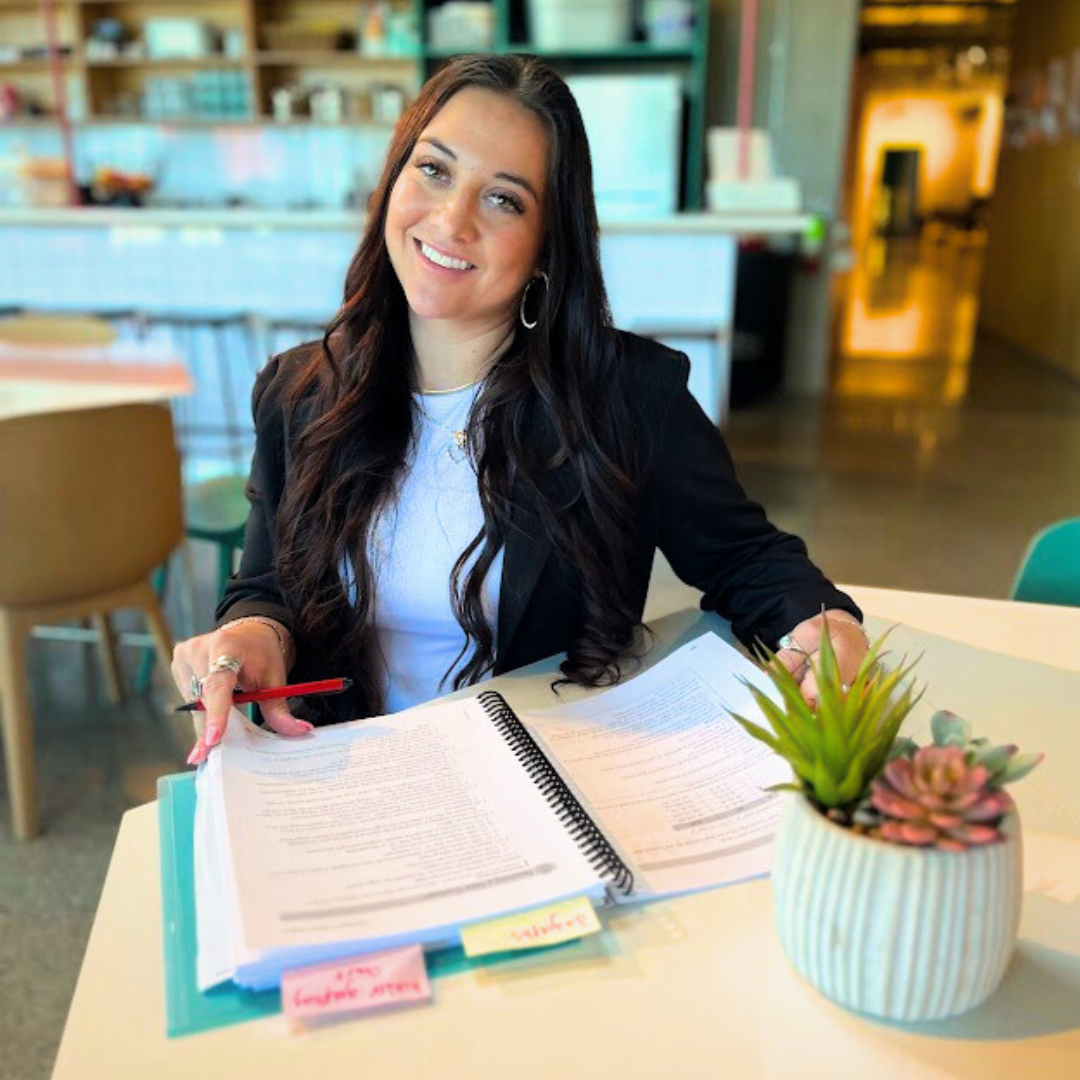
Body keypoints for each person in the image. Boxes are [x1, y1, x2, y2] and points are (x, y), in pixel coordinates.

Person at [172, 54, 869, 766]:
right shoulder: (299, 394)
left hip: (541, 782)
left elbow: (746, 559)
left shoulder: (626, 398)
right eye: (434, 170)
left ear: (547, 245)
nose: (450, 219)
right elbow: (265, 585)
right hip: (345, 778)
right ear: (393, 181)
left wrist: (823, 623)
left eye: (503, 199)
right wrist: (257, 632)